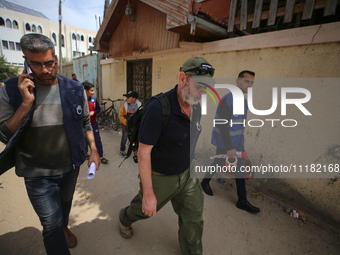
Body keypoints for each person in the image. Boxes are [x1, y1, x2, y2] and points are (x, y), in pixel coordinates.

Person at [0, 33, 100, 255]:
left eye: (48, 63)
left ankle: (64, 226)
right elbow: (5, 135)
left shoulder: (74, 88)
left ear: (55, 58)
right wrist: (26, 104)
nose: (44, 70)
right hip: (37, 175)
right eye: (35, 64)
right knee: (51, 225)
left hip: (70, 168)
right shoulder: (9, 91)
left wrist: (93, 150)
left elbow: (85, 122)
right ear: (26, 61)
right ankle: (59, 230)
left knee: (64, 207)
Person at [119, 56, 215, 255]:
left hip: (187, 175)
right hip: (161, 177)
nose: (203, 92)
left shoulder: (196, 105)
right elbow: (144, 152)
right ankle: (124, 218)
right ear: (182, 78)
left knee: (194, 217)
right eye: (199, 85)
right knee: (143, 210)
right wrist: (148, 194)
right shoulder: (157, 108)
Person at [201, 70, 260, 213]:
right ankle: (204, 182)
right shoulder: (229, 99)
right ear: (237, 81)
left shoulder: (242, 100)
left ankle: (242, 200)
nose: (249, 85)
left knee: (240, 168)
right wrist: (229, 147)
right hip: (225, 141)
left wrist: (238, 143)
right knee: (219, 162)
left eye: (252, 82)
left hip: (237, 141)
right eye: (246, 81)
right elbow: (223, 125)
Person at [83, 81, 108, 164]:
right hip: (83, 125)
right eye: (91, 90)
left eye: (93, 90)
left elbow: (98, 109)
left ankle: (100, 156)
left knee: (97, 140)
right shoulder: (80, 100)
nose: (93, 92)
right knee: (84, 140)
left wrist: (94, 112)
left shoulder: (94, 99)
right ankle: (85, 155)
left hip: (93, 123)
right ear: (85, 91)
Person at [118, 90, 141, 158]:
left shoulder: (139, 106)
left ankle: (135, 151)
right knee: (124, 138)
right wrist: (126, 123)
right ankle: (122, 150)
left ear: (134, 99)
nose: (127, 99)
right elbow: (120, 115)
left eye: (129, 97)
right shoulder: (125, 106)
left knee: (135, 138)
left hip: (135, 126)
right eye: (126, 97)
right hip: (127, 125)